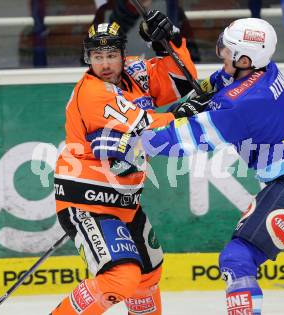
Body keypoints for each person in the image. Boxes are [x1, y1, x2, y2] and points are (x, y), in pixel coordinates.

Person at [87, 18, 284, 315]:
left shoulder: (242, 103)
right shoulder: (262, 71)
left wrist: (134, 147)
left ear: (245, 59)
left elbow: (187, 138)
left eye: (228, 48)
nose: (221, 51)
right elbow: (214, 86)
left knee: (238, 259)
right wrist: (170, 41)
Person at [51, 10, 197, 315]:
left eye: (111, 55)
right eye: (97, 56)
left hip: (125, 203)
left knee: (147, 276)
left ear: (122, 55)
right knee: (120, 278)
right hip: (88, 200)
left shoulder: (134, 74)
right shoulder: (91, 94)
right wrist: (186, 115)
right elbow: (147, 128)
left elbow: (181, 81)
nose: (104, 64)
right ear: (87, 59)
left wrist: (168, 42)